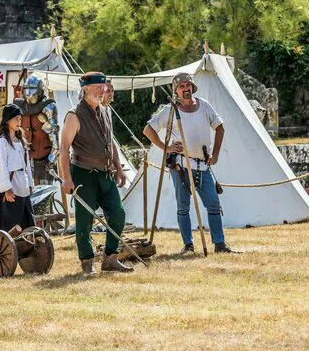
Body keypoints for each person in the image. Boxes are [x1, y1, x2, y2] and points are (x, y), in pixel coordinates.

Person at [142, 72, 237, 254]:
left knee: (213, 205)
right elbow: (148, 130)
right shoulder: (170, 110)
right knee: (183, 206)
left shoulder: (204, 106)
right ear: (176, 91)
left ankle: (219, 244)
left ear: (192, 87)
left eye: (188, 85)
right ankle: (188, 244)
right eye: (181, 86)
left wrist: (215, 155)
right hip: (180, 166)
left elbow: (220, 128)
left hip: (202, 165)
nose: (185, 89)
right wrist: (165, 147)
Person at [59, 71, 133, 275]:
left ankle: (110, 258)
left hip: (106, 173)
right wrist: (66, 178)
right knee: (84, 220)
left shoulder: (105, 111)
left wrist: (118, 168)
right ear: (86, 89)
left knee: (118, 214)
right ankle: (87, 262)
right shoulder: (74, 115)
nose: (103, 91)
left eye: (104, 87)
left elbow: (111, 143)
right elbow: (64, 149)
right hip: (83, 173)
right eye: (99, 87)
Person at [0, 103, 36, 232]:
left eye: (20, 118)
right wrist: (6, 189)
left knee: (27, 223)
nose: (19, 122)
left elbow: (26, 165)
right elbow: (0, 166)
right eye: (15, 119)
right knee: (11, 224)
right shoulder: (2, 142)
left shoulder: (20, 141)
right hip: (12, 186)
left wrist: (30, 183)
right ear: (7, 121)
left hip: (23, 185)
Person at [13, 74, 60, 184]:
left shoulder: (48, 106)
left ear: (39, 91)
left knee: (44, 196)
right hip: (24, 160)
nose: (30, 94)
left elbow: (55, 137)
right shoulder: (19, 106)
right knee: (24, 195)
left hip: (44, 159)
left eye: (32, 90)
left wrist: (52, 160)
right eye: (27, 90)